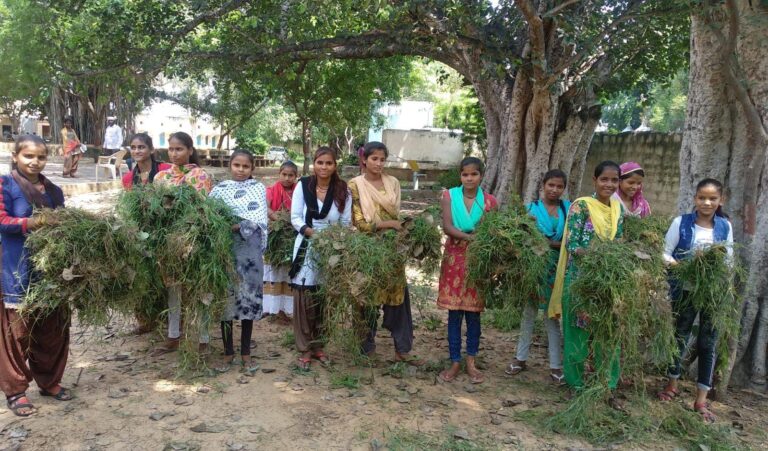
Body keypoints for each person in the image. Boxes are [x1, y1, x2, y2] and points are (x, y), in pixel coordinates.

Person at [0, 135, 71, 417]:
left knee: (52, 328)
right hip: (16, 267)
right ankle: (16, 390)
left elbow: (63, 223)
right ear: (15, 156)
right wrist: (33, 222)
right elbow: (2, 221)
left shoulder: (54, 190)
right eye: (28, 156)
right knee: (16, 332)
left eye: (41, 157)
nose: (35, 162)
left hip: (50, 269)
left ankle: (49, 381)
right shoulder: (5, 185)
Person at [548, 161, 625, 409]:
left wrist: (617, 256)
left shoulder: (617, 208)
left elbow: (620, 240)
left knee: (608, 336)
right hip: (581, 281)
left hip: (609, 282)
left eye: (614, 180)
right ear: (595, 180)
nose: (609, 184)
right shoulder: (581, 206)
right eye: (604, 179)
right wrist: (599, 254)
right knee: (577, 335)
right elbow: (572, 244)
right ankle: (576, 385)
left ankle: (606, 387)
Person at [658, 178, 733, 423]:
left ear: (721, 200)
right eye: (702, 197)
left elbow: (729, 259)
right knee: (680, 335)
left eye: (712, 198)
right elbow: (664, 253)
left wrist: (720, 277)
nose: (707, 202)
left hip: (713, 293)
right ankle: (672, 384)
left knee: (708, 343)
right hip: (686, 290)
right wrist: (681, 266)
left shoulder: (724, 226)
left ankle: (701, 399)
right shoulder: (681, 223)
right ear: (695, 199)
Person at [349, 141, 422, 365]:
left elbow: (397, 214)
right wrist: (388, 224)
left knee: (398, 298)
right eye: (374, 159)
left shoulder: (393, 183)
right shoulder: (355, 185)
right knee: (366, 298)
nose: (379, 163)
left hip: (392, 249)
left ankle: (402, 349)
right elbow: (359, 223)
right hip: (368, 249)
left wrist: (398, 227)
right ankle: (365, 349)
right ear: (364, 160)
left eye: (382, 159)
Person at [437, 157, 498, 384]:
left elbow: (491, 232)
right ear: (460, 176)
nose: (469, 178)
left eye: (474, 174)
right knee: (454, 314)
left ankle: (471, 360)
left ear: (481, 175)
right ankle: (455, 360)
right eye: (465, 174)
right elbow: (447, 227)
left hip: (478, 261)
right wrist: (471, 238)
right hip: (454, 260)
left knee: (474, 315)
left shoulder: (490, 202)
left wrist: (478, 244)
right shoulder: (449, 196)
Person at [151, 132, 213, 355]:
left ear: (190, 150)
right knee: (173, 289)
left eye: (179, 149)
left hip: (194, 238)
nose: (174, 153)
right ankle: (173, 336)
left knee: (200, 288)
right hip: (168, 241)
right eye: (171, 149)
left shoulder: (200, 176)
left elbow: (201, 209)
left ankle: (203, 338)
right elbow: (154, 208)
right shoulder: (160, 178)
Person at [290, 147, 351, 370]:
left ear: (335, 166)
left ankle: (319, 345)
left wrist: (335, 241)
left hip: (331, 250)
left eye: (328, 163)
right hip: (307, 245)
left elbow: (345, 222)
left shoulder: (343, 189)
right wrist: (313, 234)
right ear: (314, 164)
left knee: (324, 297)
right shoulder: (303, 185)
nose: (324, 167)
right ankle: (305, 347)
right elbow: (295, 218)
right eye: (320, 162)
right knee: (304, 297)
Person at [507, 169, 569, 383]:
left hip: (558, 271)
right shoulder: (530, 209)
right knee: (529, 314)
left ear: (564, 189)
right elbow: (524, 239)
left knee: (553, 318)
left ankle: (556, 365)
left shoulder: (569, 210)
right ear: (543, 185)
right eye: (551, 185)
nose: (554, 189)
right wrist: (554, 244)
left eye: (559, 186)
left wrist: (546, 243)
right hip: (534, 270)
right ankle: (520, 358)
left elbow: (571, 241)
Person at [210, 150, 268, 373]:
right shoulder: (219, 189)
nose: (241, 170)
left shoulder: (258, 188)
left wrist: (237, 225)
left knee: (248, 301)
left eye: (245, 166)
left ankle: (246, 353)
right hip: (225, 250)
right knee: (225, 300)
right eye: (237, 165)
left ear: (252, 168)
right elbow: (210, 216)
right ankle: (227, 353)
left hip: (249, 253)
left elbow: (258, 219)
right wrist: (223, 226)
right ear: (230, 165)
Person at [263, 161, 299, 323]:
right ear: (279, 174)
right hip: (275, 236)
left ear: (296, 176)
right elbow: (266, 207)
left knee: (289, 273)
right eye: (284, 174)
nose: (287, 178)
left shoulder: (299, 191)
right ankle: (272, 309)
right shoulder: (271, 190)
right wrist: (276, 216)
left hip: (292, 236)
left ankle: (286, 309)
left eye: (291, 175)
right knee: (274, 272)